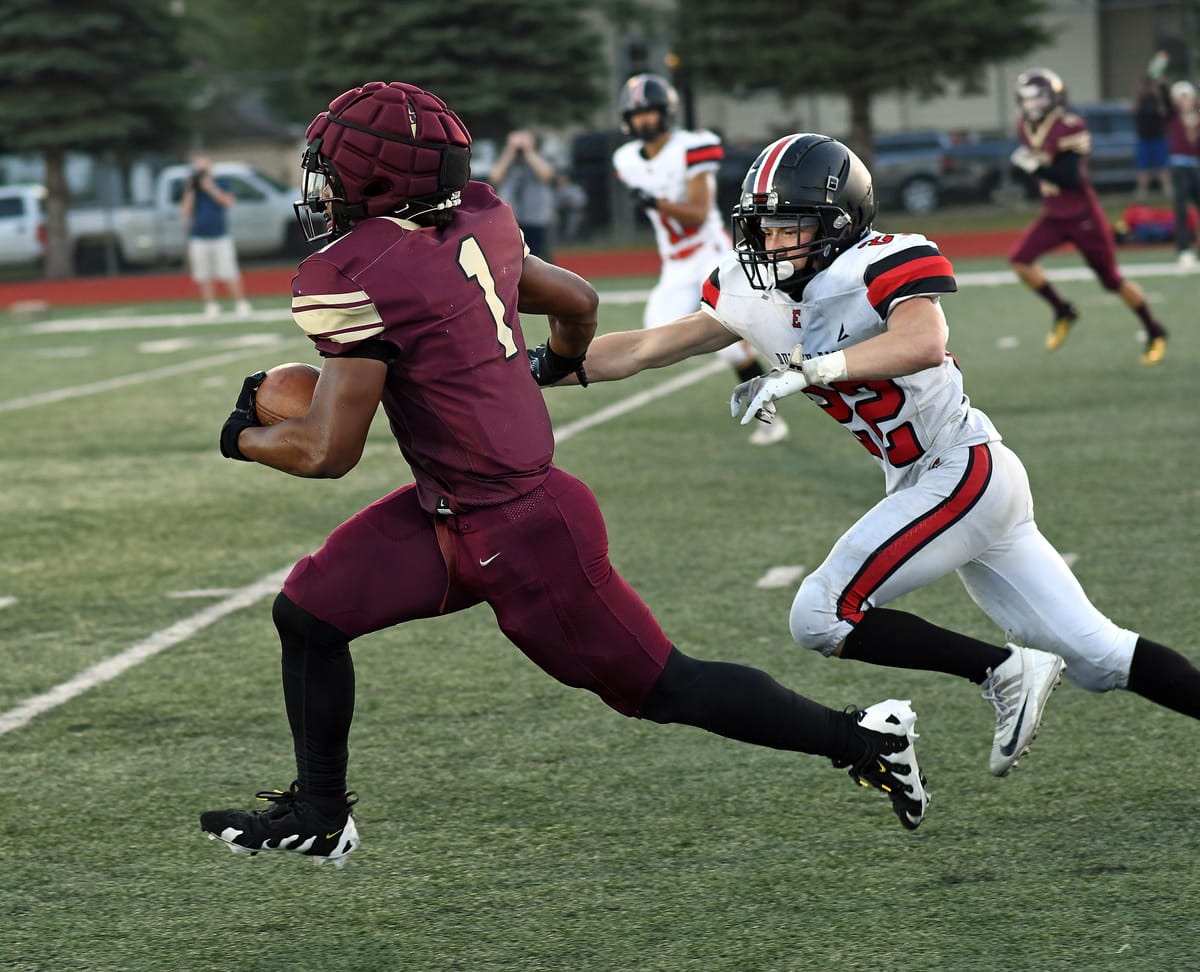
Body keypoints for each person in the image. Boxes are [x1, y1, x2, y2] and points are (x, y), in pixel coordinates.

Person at [198, 83, 931, 867]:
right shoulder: (481, 219)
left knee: (665, 687)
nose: (325, 187)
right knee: (309, 612)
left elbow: (327, 452)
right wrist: (552, 363)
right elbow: (577, 300)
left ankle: (864, 741)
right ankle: (319, 811)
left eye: (335, 171)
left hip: (521, 531)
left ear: (380, 182)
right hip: (453, 507)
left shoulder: (358, 274)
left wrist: (242, 433)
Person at [564, 132, 1200, 783]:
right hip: (942, 481)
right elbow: (641, 349)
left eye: (790, 229)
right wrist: (529, 367)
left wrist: (812, 369)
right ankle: (1017, 668)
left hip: (961, 470)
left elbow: (923, 342)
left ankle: (1002, 669)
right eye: (764, 229)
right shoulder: (758, 293)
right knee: (1098, 656)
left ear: (840, 224)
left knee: (818, 614)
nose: (771, 245)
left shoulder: (877, 263)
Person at [612, 73, 787, 446]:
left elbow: (696, 211)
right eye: (637, 114)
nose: (644, 120)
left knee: (735, 345)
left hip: (709, 255)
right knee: (656, 332)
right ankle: (737, 347)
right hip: (674, 263)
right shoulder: (625, 160)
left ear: (667, 112)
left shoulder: (692, 147)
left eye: (650, 112)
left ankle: (770, 417)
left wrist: (656, 203)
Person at [1006, 68, 1168, 366]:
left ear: (1052, 98)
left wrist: (1031, 167)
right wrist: (1029, 170)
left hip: (1082, 217)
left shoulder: (1070, 125)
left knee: (1110, 280)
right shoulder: (1024, 127)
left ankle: (1155, 330)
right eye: (1026, 99)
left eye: (1036, 98)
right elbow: (1040, 176)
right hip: (1054, 214)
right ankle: (1063, 310)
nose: (1031, 105)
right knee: (1020, 260)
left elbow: (1069, 178)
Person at [180, 156, 252, 318]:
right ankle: (211, 305)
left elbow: (229, 202)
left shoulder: (221, 184)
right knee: (204, 273)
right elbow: (185, 211)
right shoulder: (193, 190)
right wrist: (190, 190)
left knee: (229, 271)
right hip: (198, 237)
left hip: (220, 236)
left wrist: (211, 188)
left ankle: (240, 303)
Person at [489, 129, 557, 261]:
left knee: (539, 257)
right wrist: (510, 152)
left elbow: (547, 175)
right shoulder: (505, 160)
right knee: (511, 257)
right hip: (511, 217)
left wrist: (529, 152)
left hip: (537, 217)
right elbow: (495, 177)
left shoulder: (541, 157)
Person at [1165, 80, 1200, 268]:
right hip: (1180, 165)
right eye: (1182, 98)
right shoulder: (1173, 116)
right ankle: (1184, 249)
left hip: (1196, 166)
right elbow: (1163, 97)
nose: (1186, 101)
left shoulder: (1196, 117)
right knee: (1181, 209)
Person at [1132, 74, 1171, 200]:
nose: (1148, 89)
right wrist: (1139, 93)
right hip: (1144, 139)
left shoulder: (1158, 101)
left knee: (1163, 166)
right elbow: (1133, 110)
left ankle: (1167, 189)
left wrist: (1158, 93)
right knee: (1142, 167)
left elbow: (1164, 112)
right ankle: (1142, 190)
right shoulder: (1140, 101)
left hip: (1159, 138)